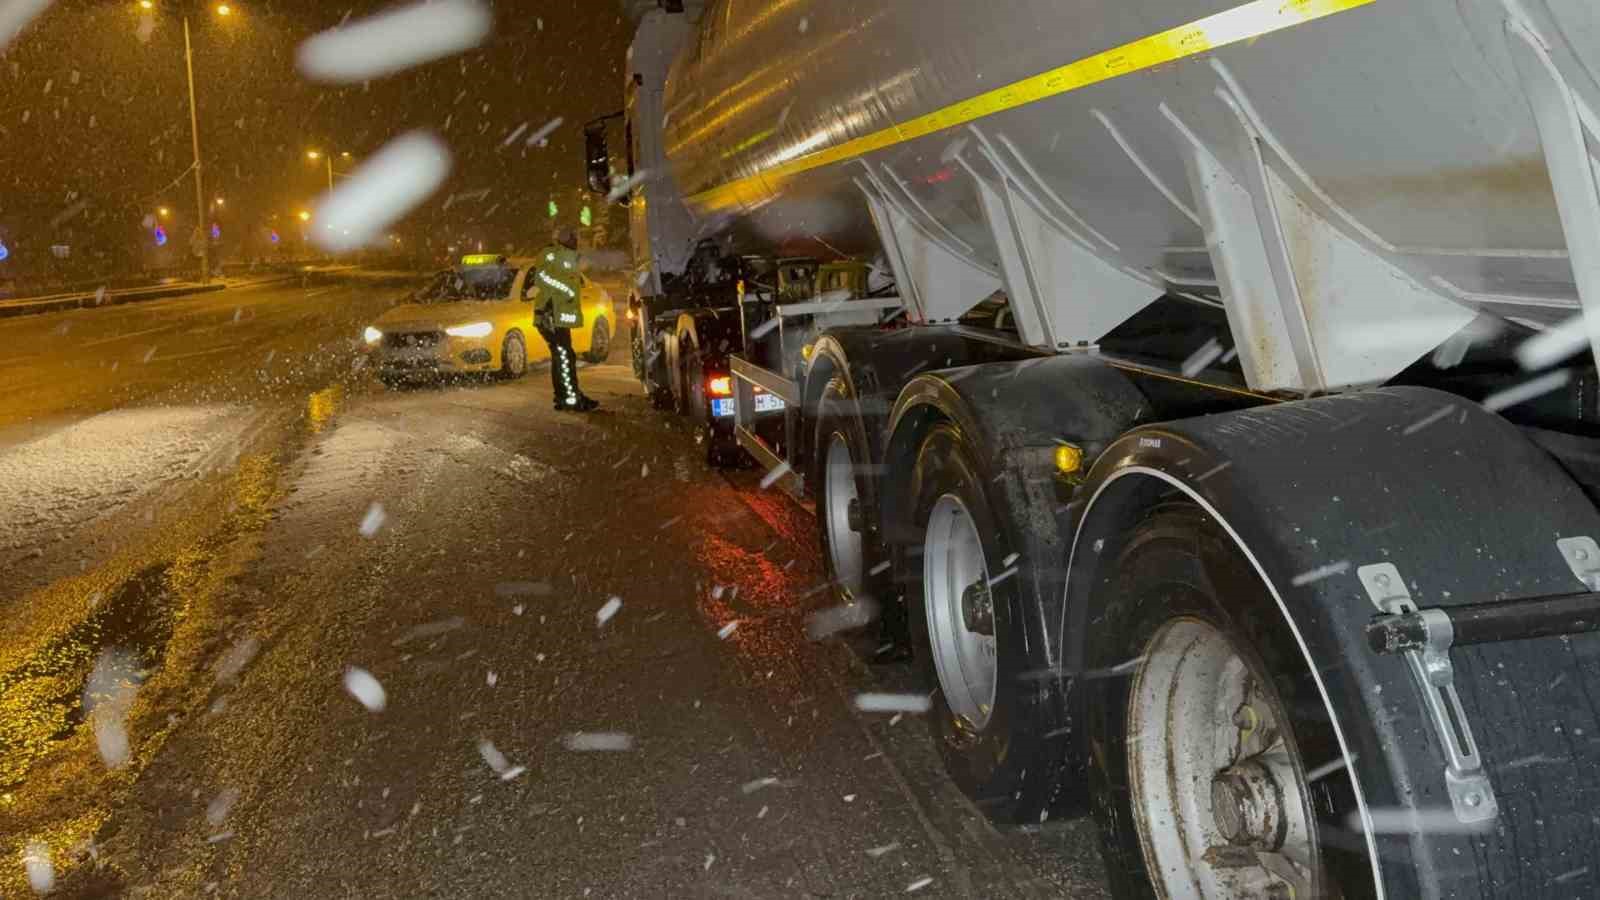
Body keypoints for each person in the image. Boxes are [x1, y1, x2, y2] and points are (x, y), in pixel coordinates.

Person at [530, 227, 598, 412]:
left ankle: (564, 396)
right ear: (566, 240)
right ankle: (571, 398)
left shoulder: (567, 257)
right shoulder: (551, 254)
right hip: (550, 315)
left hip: (557, 316)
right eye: (574, 238)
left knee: (562, 355)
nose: (577, 242)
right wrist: (564, 289)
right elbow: (541, 278)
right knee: (564, 355)